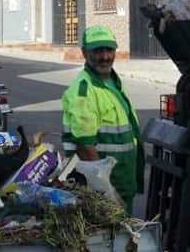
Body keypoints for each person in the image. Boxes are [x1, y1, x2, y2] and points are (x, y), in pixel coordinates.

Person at [61, 26, 144, 215]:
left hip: (123, 181)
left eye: (109, 49)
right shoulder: (84, 90)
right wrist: (106, 194)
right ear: (84, 52)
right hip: (104, 190)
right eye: (98, 51)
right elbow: (85, 147)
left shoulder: (112, 82)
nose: (105, 56)